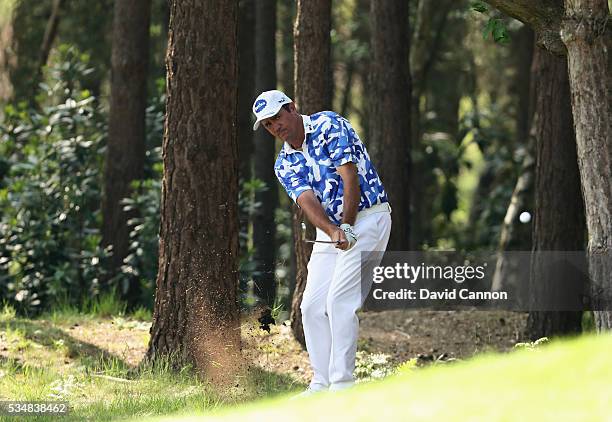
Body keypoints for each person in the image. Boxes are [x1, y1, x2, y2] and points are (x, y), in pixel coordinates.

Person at [252, 89, 392, 394]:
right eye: (267, 125)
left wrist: (347, 226)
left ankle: (342, 387)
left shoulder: (328, 124)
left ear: (291, 107)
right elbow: (306, 200)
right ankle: (321, 382)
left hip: (368, 217)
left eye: (276, 117)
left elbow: (349, 177)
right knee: (311, 306)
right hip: (333, 230)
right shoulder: (283, 163)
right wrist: (333, 231)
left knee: (339, 302)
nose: (275, 127)